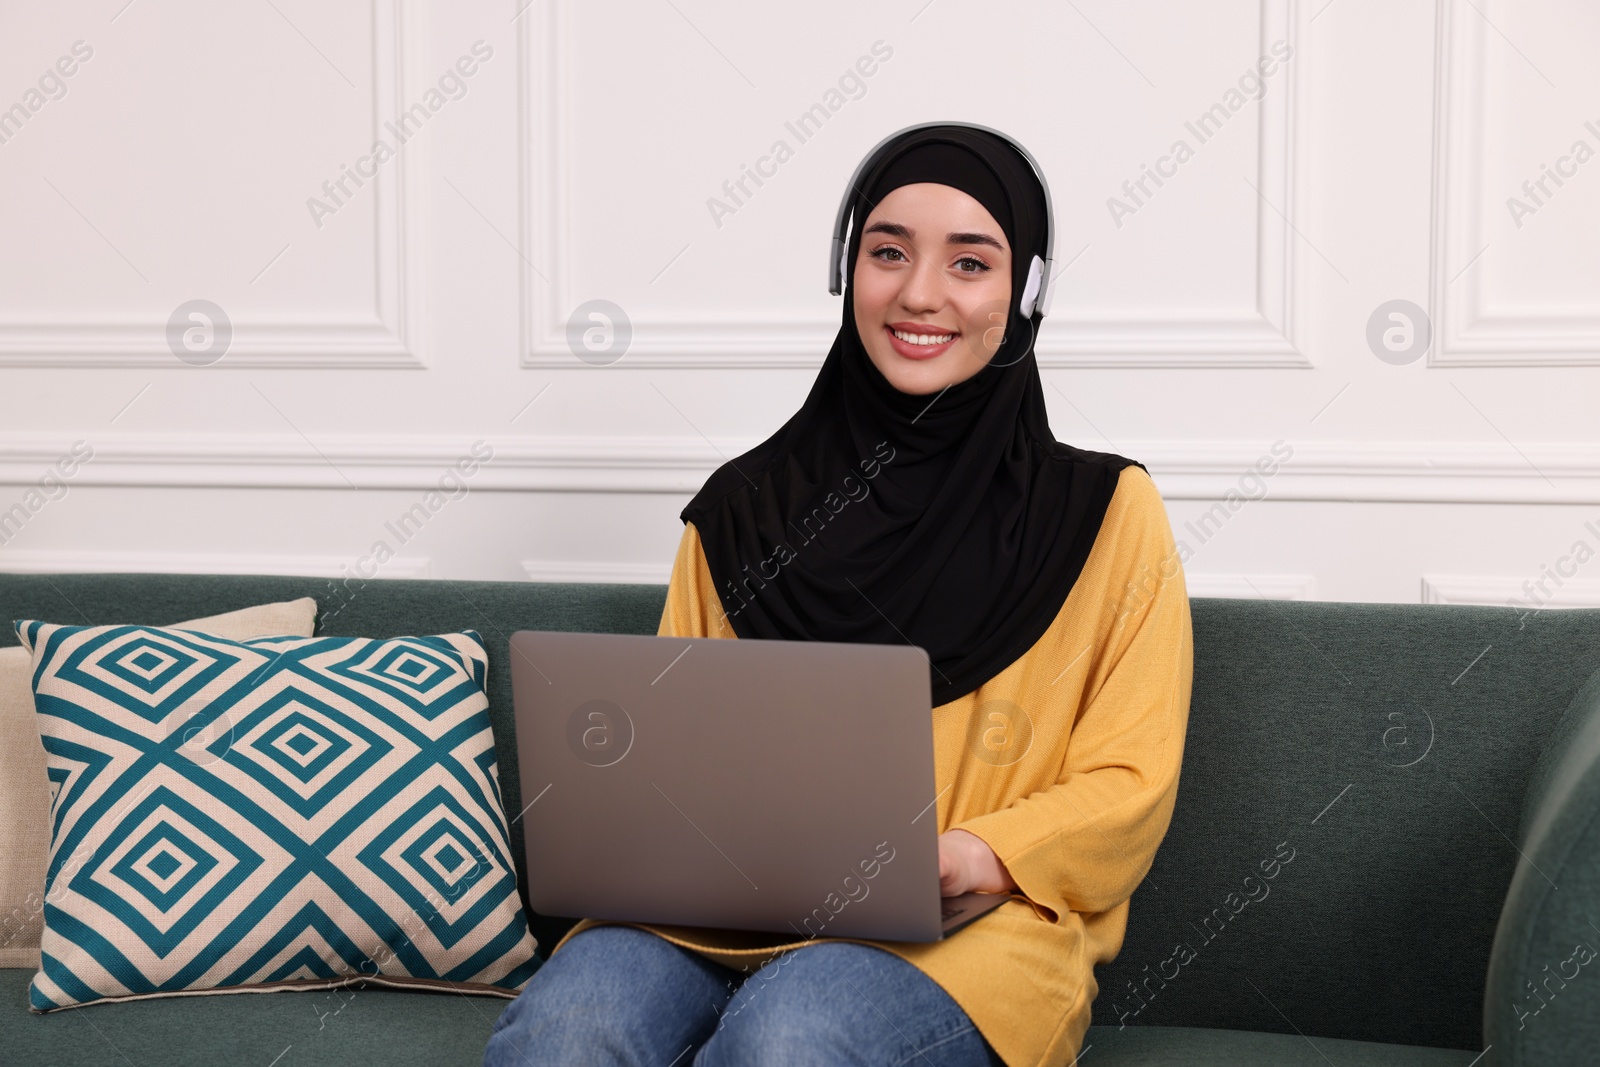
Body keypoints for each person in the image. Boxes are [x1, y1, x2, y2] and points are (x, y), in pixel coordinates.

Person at [484, 123, 1194, 1067]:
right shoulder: (738, 509)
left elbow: (1131, 776)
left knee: (790, 1038)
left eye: (971, 263)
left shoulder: (1107, 511)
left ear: (1025, 293)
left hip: (973, 932)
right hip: (712, 917)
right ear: (844, 269)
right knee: (563, 1036)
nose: (919, 293)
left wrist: (976, 852)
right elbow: (668, 767)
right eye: (887, 252)